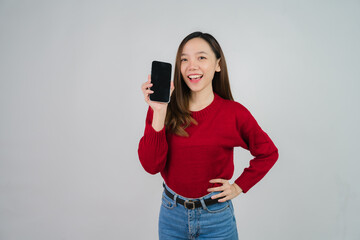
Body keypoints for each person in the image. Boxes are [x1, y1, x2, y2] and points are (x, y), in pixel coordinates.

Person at [138, 31, 279, 240]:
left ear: (218, 65)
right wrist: (158, 111)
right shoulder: (163, 108)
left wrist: (238, 186)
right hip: (171, 216)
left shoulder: (234, 113)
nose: (191, 66)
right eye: (184, 59)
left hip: (216, 218)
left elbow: (268, 153)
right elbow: (151, 166)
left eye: (201, 57)